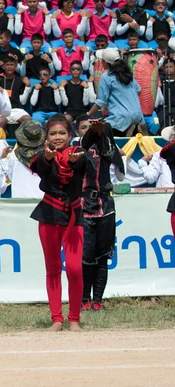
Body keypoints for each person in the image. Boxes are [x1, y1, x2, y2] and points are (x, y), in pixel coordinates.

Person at [29, 114, 86, 332]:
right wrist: (48, 158)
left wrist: (73, 161)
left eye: (62, 133)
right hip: (48, 215)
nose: (58, 137)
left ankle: (74, 319)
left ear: (71, 135)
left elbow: (83, 165)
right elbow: (41, 169)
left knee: (74, 269)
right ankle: (56, 319)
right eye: (53, 133)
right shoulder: (42, 158)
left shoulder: (79, 154)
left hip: (73, 217)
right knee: (52, 269)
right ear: (47, 136)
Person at [79, 118, 124, 312]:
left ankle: (97, 300)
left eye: (92, 128)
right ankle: (84, 299)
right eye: (83, 128)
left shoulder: (109, 150)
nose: (88, 131)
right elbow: (85, 143)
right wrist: (93, 133)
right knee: (86, 257)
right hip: (85, 206)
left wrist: (103, 133)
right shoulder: (78, 149)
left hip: (106, 206)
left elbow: (119, 171)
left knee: (103, 257)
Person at [87, 47, 144, 136]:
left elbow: (101, 102)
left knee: (99, 132)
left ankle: (128, 128)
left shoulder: (106, 77)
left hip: (120, 118)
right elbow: (139, 91)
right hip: (138, 115)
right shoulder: (128, 75)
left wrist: (88, 115)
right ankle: (134, 126)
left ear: (105, 62)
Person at [0, 120, 44, 199]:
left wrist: (3, 159)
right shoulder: (47, 155)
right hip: (41, 199)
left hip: (20, 201)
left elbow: (10, 176)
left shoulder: (14, 155)